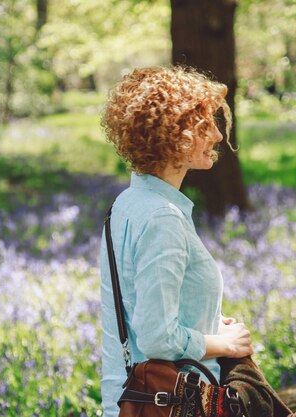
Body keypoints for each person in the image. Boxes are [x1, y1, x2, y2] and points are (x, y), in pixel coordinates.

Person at [99, 66, 254, 417]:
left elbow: (147, 307)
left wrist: (208, 324)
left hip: (128, 402)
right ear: (173, 135)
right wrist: (224, 345)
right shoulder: (162, 219)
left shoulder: (127, 205)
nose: (216, 135)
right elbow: (156, 336)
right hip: (171, 405)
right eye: (204, 125)